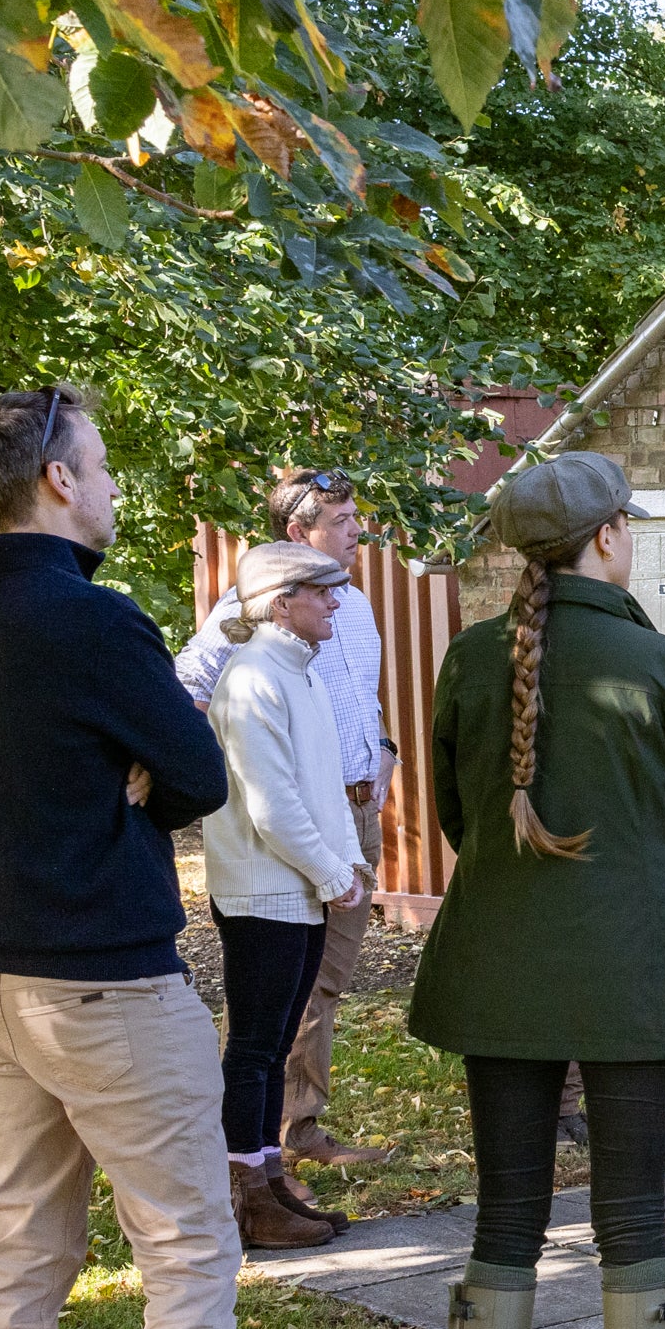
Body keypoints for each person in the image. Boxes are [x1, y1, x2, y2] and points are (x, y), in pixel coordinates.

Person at [0, 385, 333, 1329]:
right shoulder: (98, 624)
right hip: (107, 976)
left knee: (25, 1246)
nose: (109, 487)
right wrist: (138, 788)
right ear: (55, 479)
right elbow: (198, 773)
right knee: (190, 1245)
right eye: (97, 466)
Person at [406, 453, 665, 1329]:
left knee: (507, 1211)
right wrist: (635, 890)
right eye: (626, 524)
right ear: (606, 539)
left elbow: (459, 815)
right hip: (634, 965)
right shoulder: (664, 660)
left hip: (501, 965)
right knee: (632, 1210)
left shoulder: (468, 660)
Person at [176, 468, 392, 1172]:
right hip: (288, 841)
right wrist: (218, 768)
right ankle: (262, 1151)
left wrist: (383, 748)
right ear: (299, 534)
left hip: (355, 812)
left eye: (357, 516)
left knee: (323, 982)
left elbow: (362, 699)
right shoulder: (250, 621)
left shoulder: (348, 609)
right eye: (342, 519)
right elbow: (188, 690)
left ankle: (292, 1132)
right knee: (271, 1013)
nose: (357, 530)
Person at [202, 541, 370, 1252]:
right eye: (321, 590)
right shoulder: (251, 679)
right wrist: (334, 876)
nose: (336, 601)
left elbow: (320, 790)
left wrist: (349, 860)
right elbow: (272, 806)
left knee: (272, 1049)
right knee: (254, 1049)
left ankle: (270, 1185)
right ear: (280, 602)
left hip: (297, 889)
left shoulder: (298, 670)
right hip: (263, 891)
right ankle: (244, 1199)